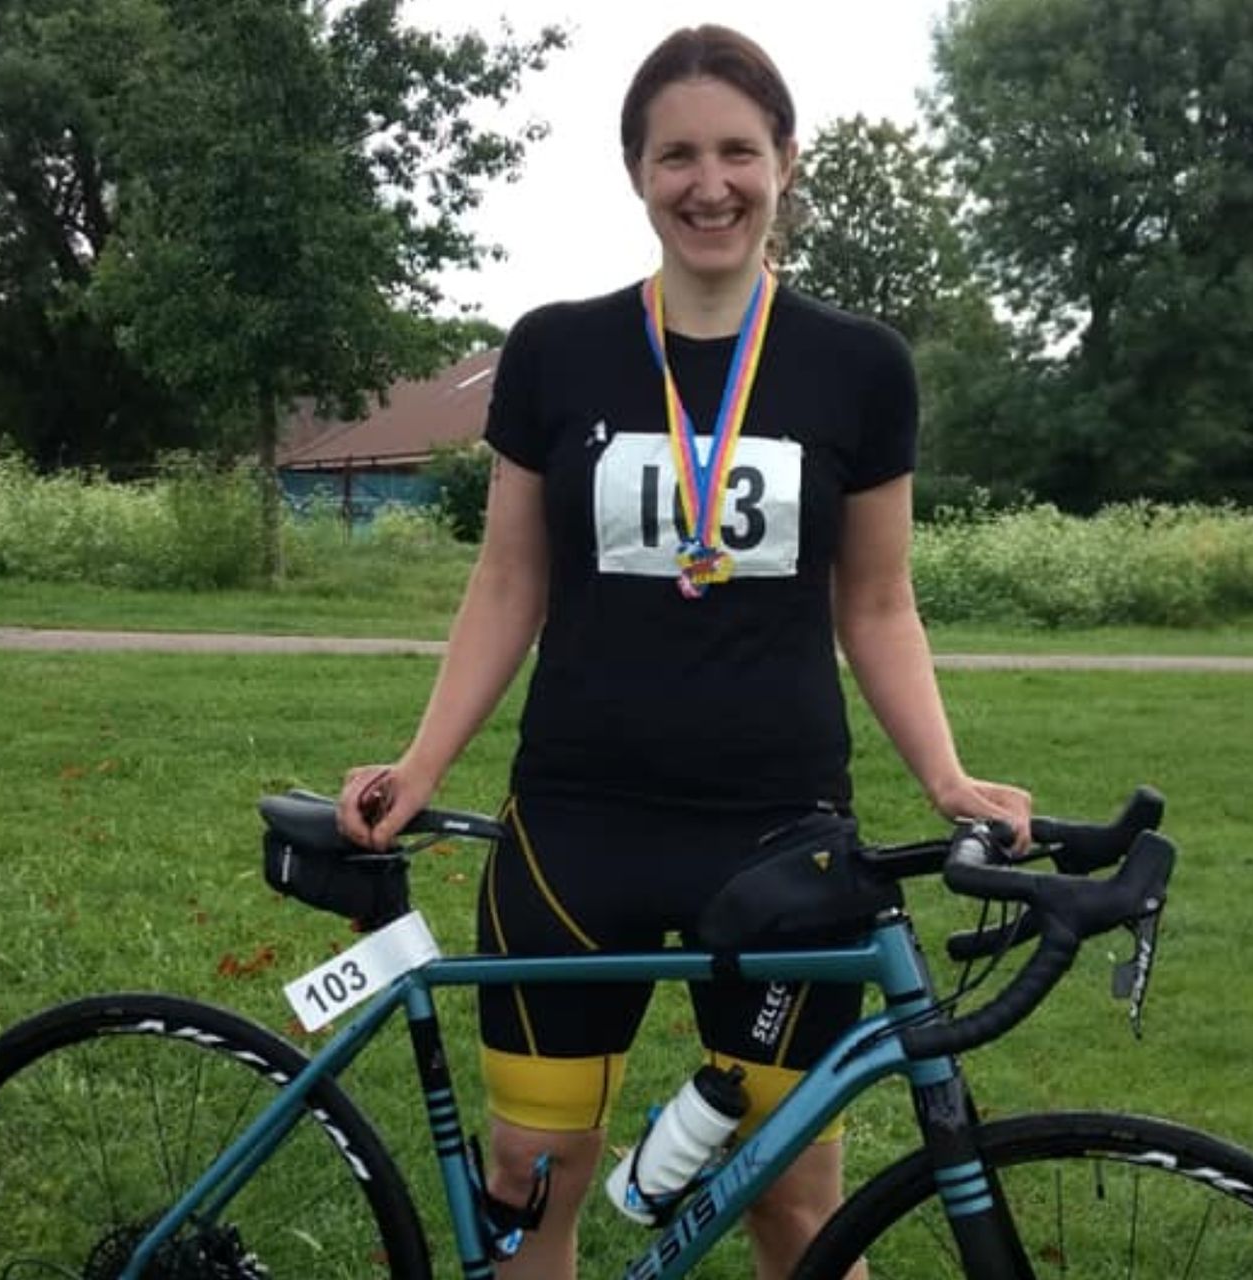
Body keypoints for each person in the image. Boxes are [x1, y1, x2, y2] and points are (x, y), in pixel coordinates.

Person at [336, 24, 1032, 1280]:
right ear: (635, 173)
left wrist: (947, 778)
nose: (708, 183)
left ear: (786, 162)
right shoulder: (556, 349)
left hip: (778, 833)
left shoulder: (858, 365)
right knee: (530, 1188)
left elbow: (876, 602)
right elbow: (510, 578)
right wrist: (425, 759)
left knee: (793, 1203)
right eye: (676, 156)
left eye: (736, 151)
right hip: (577, 828)